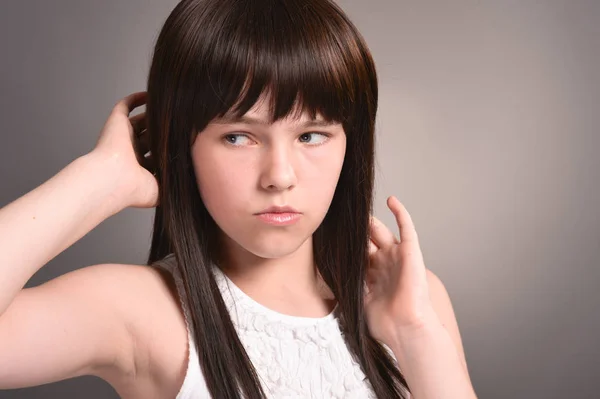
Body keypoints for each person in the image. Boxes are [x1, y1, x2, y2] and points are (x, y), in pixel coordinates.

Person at [0, 0, 477, 398]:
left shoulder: (415, 297)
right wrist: (101, 180)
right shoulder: (145, 312)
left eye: (311, 135)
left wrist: (414, 333)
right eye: (238, 138)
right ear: (180, 144)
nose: (279, 177)